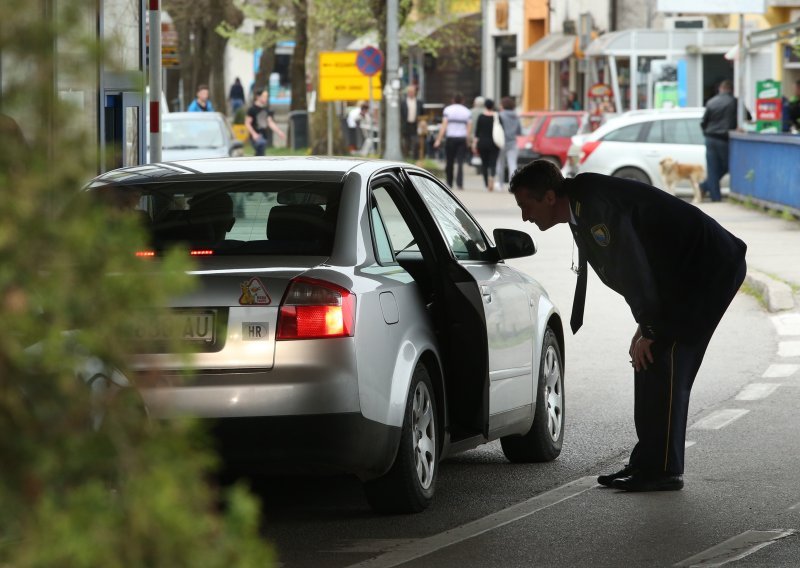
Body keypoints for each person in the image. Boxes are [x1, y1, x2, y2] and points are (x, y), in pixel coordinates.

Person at [510, 160, 747, 492]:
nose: (525, 217)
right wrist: (646, 325)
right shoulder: (582, 203)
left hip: (708, 271)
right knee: (647, 360)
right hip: (679, 277)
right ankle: (649, 460)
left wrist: (651, 328)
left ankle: (663, 469)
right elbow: (637, 269)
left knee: (665, 359)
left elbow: (633, 269)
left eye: (526, 205)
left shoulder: (595, 208)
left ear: (549, 197)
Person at [699, 80, 750, 202]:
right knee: (729, 166)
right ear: (731, 90)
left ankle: (714, 197)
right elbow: (748, 117)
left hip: (710, 139)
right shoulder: (735, 102)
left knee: (712, 169)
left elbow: (703, 122)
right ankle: (705, 186)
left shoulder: (711, 102)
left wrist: (707, 133)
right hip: (724, 139)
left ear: (720, 89)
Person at [434, 92, 471, 190]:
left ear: (453, 100)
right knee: (460, 162)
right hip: (462, 139)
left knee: (449, 161)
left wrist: (438, 139)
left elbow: (444, 126)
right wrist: (468, 140)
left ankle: (449, 182)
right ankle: (460, 183)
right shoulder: (467, 112)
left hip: (451, 139)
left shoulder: (448, 110)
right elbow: (469, 128)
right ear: (463, 100)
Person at [245, 88, 286, 156]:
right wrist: (254, 134)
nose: (266, 98)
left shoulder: (266, 110)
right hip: (256, 137)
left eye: (267, 96)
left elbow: (270, 122)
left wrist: (279, 132)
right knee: (260, 152)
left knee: (260, 155)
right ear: (258, 97)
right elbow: (247, 123)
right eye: (264, 96)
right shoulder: (252, 109)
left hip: (264, 136)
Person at [471, 98, 500, 191]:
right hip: (494, 143)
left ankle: (486, 185)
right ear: (493, 106)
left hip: (482, 143)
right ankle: (492, 177)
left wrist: (474, 144)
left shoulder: (481, 117)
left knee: (484, 164)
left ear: (485, 106)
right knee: (493, 163)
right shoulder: (497, 116)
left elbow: (477, 132)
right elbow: (501, 130)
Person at [496, 96, 522, 190]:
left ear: (503, 105)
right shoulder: (516, 116)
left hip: (501, 142)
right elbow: (519, 131)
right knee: (512, 164)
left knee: (500, 163)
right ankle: (513, 185)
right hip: (513, 142)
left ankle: (500, 184)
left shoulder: (500, 115)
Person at [400, 84, 425, 160]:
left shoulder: (419, 102)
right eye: (409, 91)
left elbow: (422, 114)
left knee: (416, 142)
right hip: (406, 124)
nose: (411, 93)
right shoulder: (403, 102)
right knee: (405, 142)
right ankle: (405, 157)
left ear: (415, 92)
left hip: (415, 124)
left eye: (412, 91)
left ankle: (415, 158)